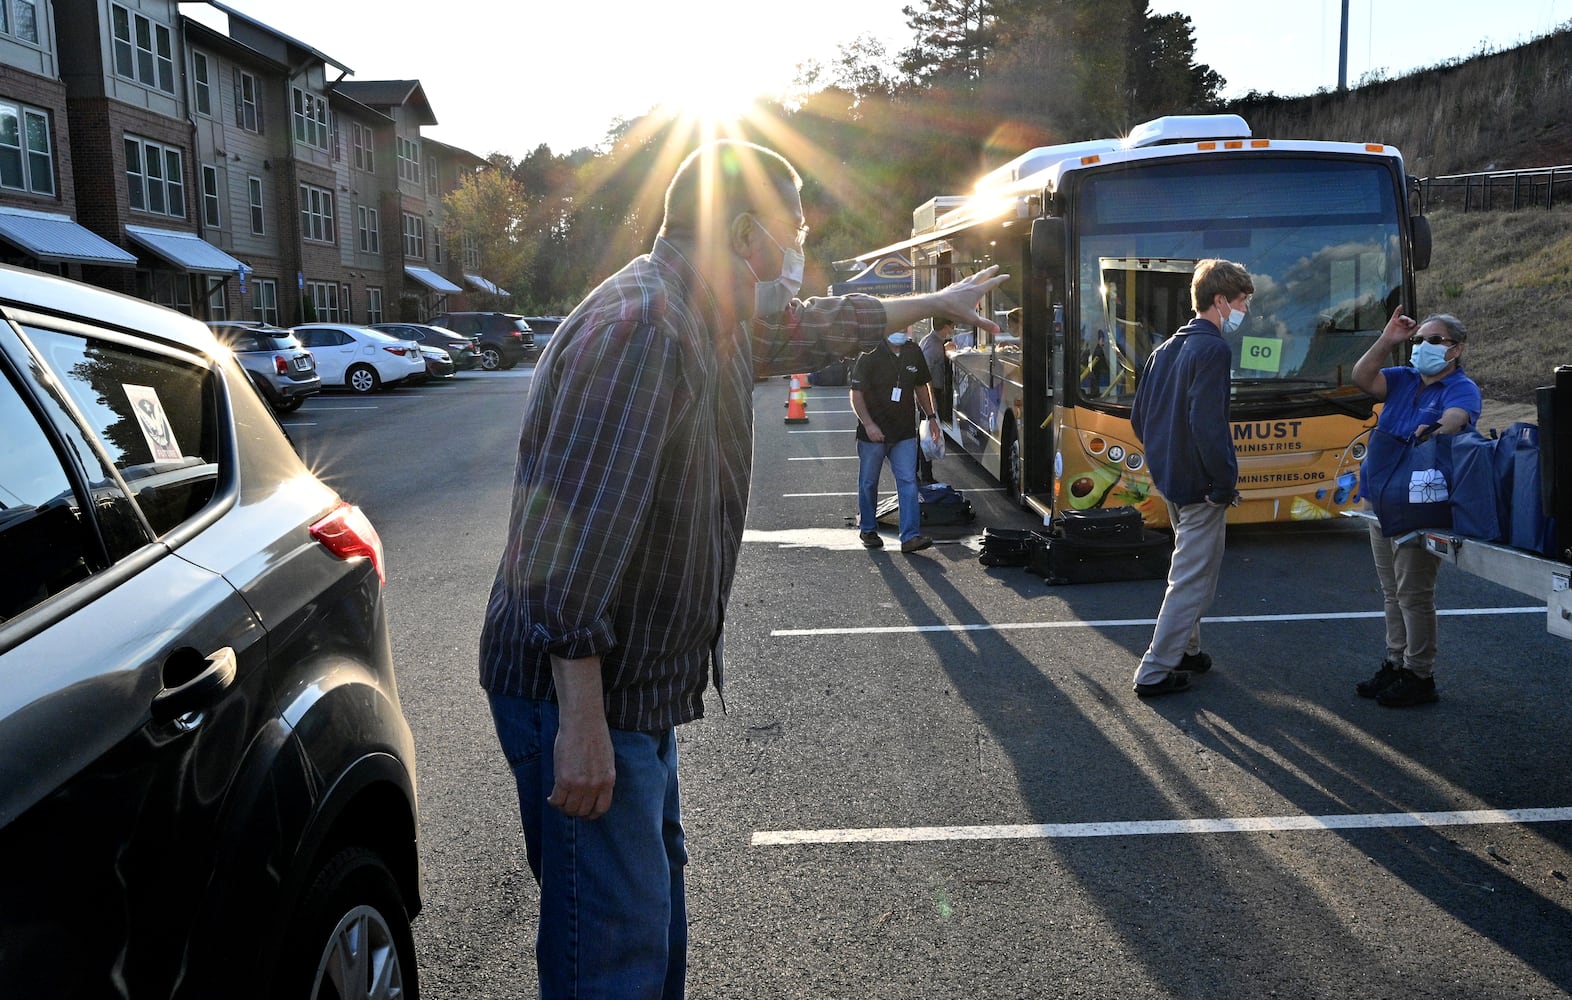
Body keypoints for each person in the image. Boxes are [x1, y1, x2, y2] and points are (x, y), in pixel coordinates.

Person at [478, 139, 1007, 1000]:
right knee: (610, 957)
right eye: (795, 231)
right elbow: (562, 547)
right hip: (584, 694)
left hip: (633, 690)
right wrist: (582, 724)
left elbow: (821, 323)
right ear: (747, 229)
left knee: (648, 932)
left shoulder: (709, 315)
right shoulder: (644, 328)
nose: (801, 253)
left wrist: (935, 300)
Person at [1128, 259, 1252, 697]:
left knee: (1192, 569)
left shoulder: (1164, 350)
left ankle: (1187, 649)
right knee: (1192, 577)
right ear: (1220, 301)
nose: (1244, 310)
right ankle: (1155, 669)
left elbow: (1140, 419)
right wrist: (1223, 482)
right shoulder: (1213, 350)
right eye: (1241, 301)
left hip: (1171, 479)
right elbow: (1209, 425)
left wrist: (1166, 460)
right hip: (1201, 485)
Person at [1351, 311, 1480, 708]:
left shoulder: (1461, 388)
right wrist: (1388, 340)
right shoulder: (1403, 379)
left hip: (1420, 505)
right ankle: (1395, 662)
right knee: (1392, 591)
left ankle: (1419, 674)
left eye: (1434, 340)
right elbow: (1361, 377)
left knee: (1413, 593)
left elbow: (1457, 419)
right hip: (1380, 499)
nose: (1423, 346)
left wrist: (1439, 426)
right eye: (1419, 340)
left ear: (1455, 349)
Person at [851, 327, 940, 553]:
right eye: (895, 327)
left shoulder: (913, 351)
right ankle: (868, 528)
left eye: (904, 327)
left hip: (904, 433)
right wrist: (868, 424)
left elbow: (920, 385)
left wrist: (931, 417)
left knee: (908, 481)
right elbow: (856, 393)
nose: (900, 331)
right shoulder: (870, 353)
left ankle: (910, 537)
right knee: (869, 482)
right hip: (873, 434)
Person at [917, 317, 954, 483]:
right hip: (930, 394)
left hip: (927, 393)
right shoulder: (933, 346)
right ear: (945, 327)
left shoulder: (930, 341)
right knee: (927, 434)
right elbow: (926, 377)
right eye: (952, 326)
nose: (953, 329)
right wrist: (932, 402)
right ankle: (925, 474)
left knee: (925, 433)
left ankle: (919, 471)